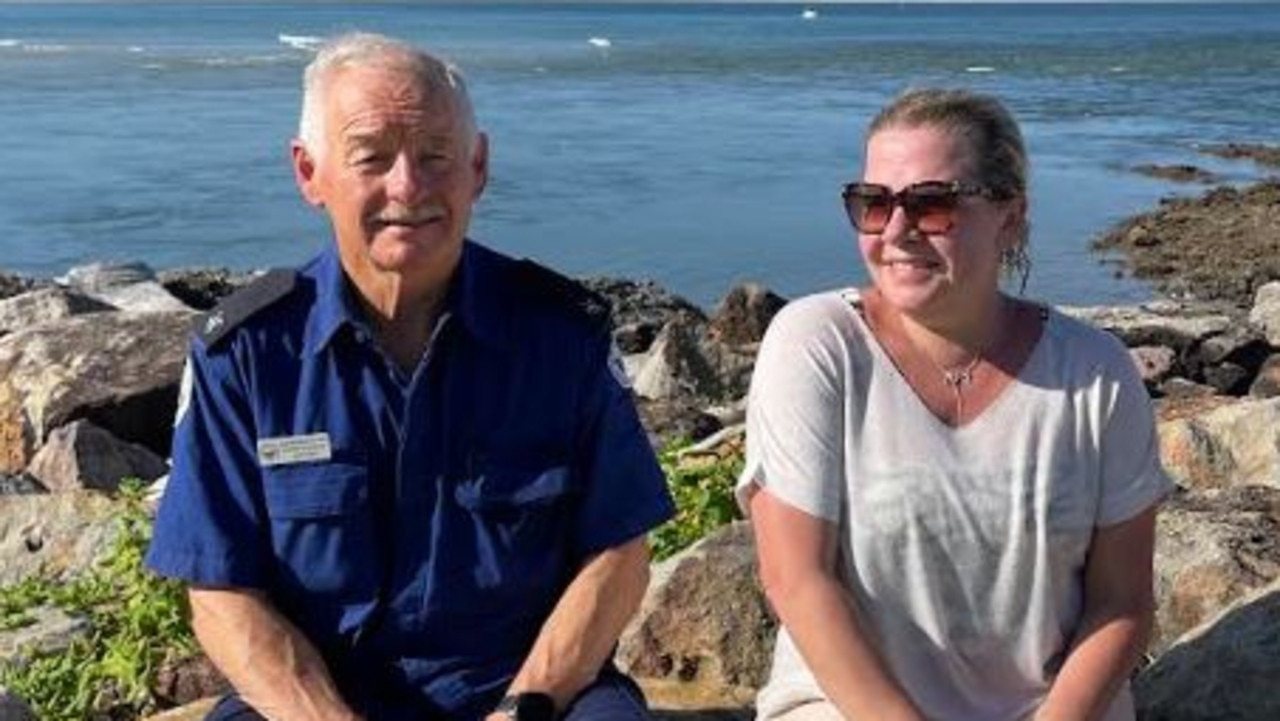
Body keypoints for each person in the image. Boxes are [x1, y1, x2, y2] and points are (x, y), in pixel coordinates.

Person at [146, 32, 674, 721]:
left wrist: (526, 705)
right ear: (310, 173)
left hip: (524, 692)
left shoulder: (561, 338)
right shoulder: (246, 357)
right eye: (373, 158)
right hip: (320, 702)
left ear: (477, 166)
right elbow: (219, 591)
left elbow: (619, 550)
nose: (408, 187)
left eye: (435, 157)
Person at [737, 88, 1172, 721]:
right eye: (873, 203)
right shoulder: (817, 344)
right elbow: (797, 581)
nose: (895, 231)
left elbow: (1122, 603)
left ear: (1011, 215)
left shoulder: (1095, 374)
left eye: (931, 204)